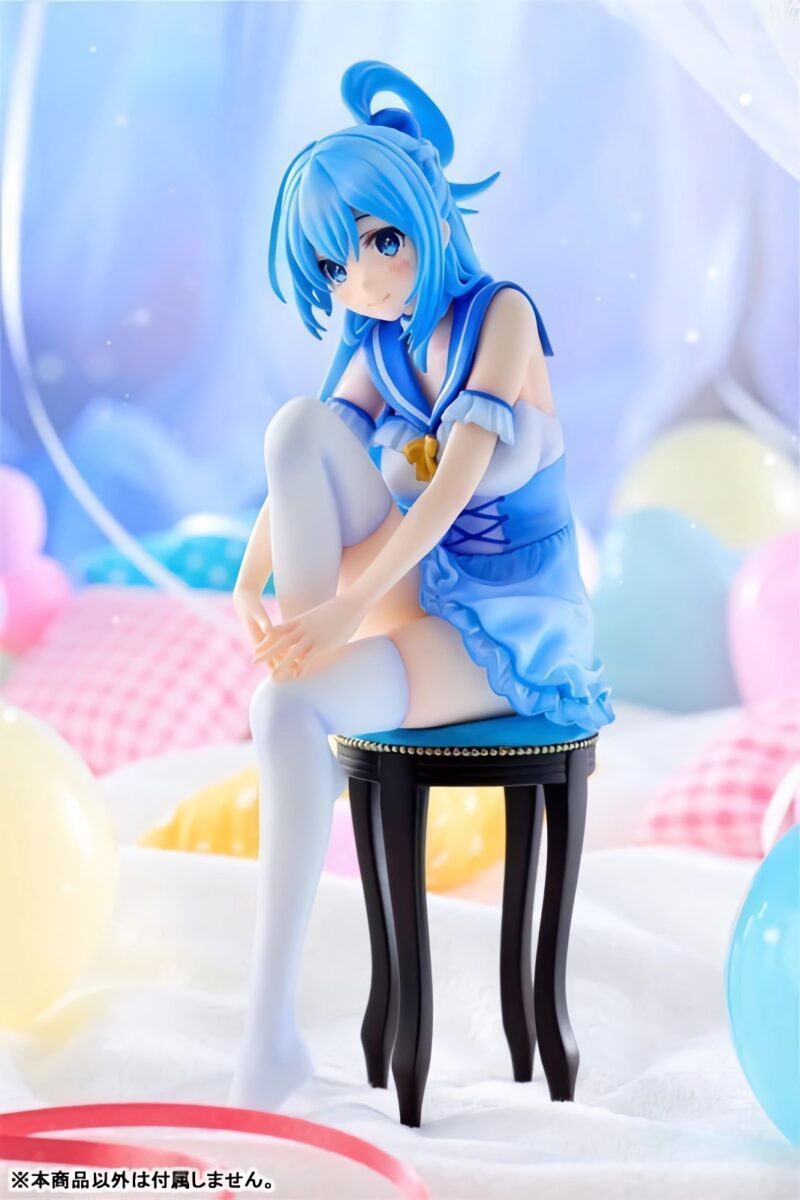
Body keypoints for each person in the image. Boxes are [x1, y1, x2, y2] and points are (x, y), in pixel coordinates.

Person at [228, 60, 613, 1111]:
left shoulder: (501, 316)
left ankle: (316, 672)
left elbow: (452, 488)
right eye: (334, 262)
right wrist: (249, 581)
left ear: (429, 216)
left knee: (286, 707)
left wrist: (349, 609)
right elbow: (306, 454)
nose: (362, 277)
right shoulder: (379, 341)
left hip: (510, 630)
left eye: (380, 242)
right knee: (295, 432)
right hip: (414, 598)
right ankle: (268, 1032)